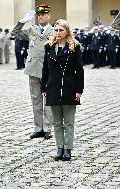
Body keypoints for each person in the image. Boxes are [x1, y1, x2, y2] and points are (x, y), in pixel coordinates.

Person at [41, 19, 84, 161]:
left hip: (69, 89)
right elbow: (45, 70)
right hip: (53, 88)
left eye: (61, 30)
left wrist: (79, 90)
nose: (58, 33)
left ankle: (68, 149)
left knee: (69, 122)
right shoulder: (49, 46)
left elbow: (79, 70)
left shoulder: (74, 47)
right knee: (57, 122)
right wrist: (43, 87)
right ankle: (59, 148)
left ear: (67, 32)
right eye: (56, 30)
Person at [11, 4, 54, 139]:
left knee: (48, 100)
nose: (40, 17)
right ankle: (38, 128)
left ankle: (47, 128)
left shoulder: (54, 31)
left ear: (49, 16)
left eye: (43, 14)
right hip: (33, 69)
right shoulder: (32, 30)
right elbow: (14, 34)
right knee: (36, 100)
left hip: (48, 70)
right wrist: (22, 21)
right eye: (39, 15)